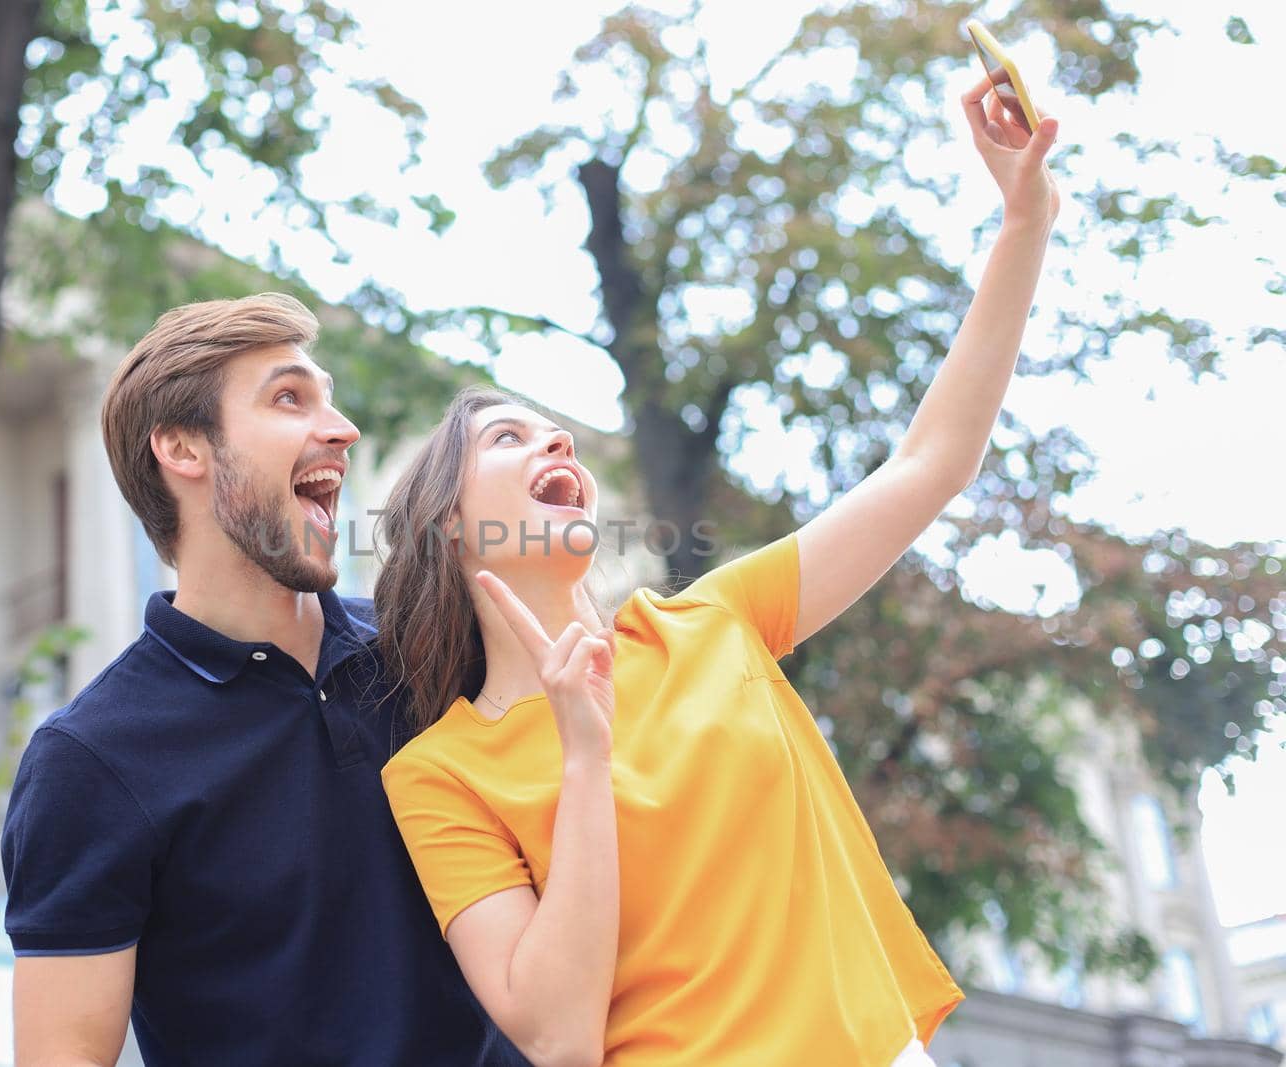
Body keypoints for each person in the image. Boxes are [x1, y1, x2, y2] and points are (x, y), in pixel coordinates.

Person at [374, 78, 1061, 1067]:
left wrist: (1024, 220)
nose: (552, 435)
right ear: (447, 523)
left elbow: (928, 463)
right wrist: (579, 750)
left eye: (550, 424)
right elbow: (558, 1035)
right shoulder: (439, 773)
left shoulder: (710, 623)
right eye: (507, 436)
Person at [0, 294, 521, 1065]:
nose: (341, 430)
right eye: (289, 398)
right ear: (183, 448)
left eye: (331, 400)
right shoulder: (91, 759)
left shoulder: (433, 653)